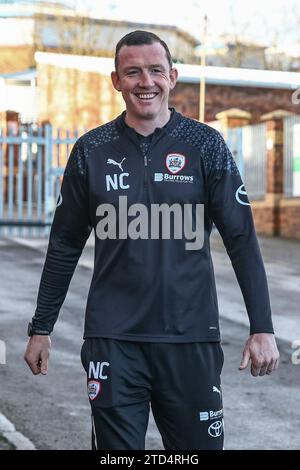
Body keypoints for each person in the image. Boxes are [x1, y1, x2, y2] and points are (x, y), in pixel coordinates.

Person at [24, 30, 280, 450]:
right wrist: (41, 328)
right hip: (113, 340)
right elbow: (64, 244)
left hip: (191, 337)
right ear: (116, 81)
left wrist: (262, 328)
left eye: (156, 71)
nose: (146, 81)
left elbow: (242, 239)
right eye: (134, 72)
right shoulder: (92, 150)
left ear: (173, 76)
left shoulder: (205, 145)